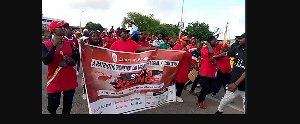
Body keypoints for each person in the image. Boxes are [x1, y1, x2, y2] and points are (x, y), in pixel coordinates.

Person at [42, 20, 79, 114]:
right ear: (53, 30)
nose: (63, 29)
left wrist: (75, 51)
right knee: (52, 107)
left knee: (67, 106)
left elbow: (76, 59)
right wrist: (54, 45)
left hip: (69, 79)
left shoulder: (69, 43)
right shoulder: (45, 44)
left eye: (64, 27)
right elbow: (46, 61)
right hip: (55, 79)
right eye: (60, 27)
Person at [214, 33, 246, 114]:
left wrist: (236, 84)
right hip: (233, 84)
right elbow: (226, 54)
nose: (239, 40)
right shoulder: (238, 49)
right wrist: (216, 57)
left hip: (243, 86)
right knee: (224, 101)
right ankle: (219, 112)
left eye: (241, 38)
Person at [196, 36, 218, 109]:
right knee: (205, 87)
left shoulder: (214, 50)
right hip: (205, 72)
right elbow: (210, 52)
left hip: (212, 72)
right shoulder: (204, 49)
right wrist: (207, 44)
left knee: (214, 87)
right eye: (214, 41)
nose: (216, 42)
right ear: (209, 42)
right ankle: (200, 101)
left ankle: (200, 94)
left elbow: (214, 58)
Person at [172, 36, 192, 103]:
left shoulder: (186, 48)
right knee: (178, 81)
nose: (187, 42)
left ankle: (177, 94)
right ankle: (177, 95)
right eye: (185, 40)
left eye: (188, 41)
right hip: (179, 67)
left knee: (183, 81)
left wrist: (191, 64)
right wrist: (181, 52)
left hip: (185, 67)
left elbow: (189, 56)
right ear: (181, 40)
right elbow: (173, 58)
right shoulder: (176, 47)